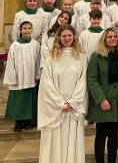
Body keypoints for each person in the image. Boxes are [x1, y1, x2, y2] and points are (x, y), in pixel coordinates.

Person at [38, 24, 88, 163]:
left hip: (74, 107)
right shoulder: (51, 59)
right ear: (59, 37)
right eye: (64, 36)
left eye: (69, 36)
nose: (67, 38)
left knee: (72, 141)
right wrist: (59, 103)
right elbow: (46, 84)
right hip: (56, 107)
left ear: (74, 37)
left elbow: (83, 82)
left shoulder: (81, 58)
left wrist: (73, 102)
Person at [87, 28, 118, 163]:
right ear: (104, 40)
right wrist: (101, 99)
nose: (113, 39)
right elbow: (92, 79)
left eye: (115, 36)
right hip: (103, 101)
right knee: (101, 134)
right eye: (109, 37)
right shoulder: (96, 56)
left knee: (114, 134)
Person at [4, 21, 40, 132]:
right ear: (20, 30)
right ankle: (18, 123)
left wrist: (37, 74)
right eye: (24, 28)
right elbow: (10, 62)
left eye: (29, 28)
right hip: (19, 78)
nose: (27, 30)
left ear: (32, 30)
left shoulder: (35, 44)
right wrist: (12, 77)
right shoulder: (15, 45)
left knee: (28, 100)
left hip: (30, 76)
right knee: (18, 101)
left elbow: (38, 60)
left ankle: (27, 121)